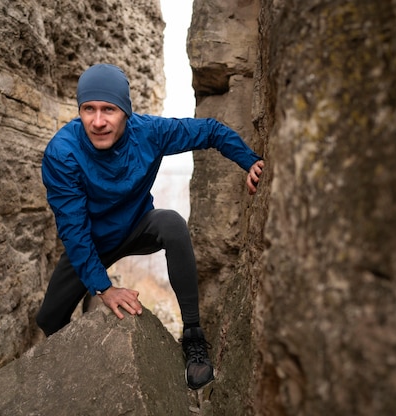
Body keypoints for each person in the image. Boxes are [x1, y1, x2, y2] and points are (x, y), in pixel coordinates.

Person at [36, 63, 264, 390]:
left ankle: (193, 337)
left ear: (126, 112)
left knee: (171, 223)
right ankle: (78, 351)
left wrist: (249, 161)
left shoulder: (150, 132)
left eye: (109, 110)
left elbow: (211, 131)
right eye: (89, 109)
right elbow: (73, 230)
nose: (98, 121)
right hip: (90, 240)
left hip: (137, 226)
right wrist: (105, 288)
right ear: (80, 111)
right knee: (49, 319)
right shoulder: (62, 152)